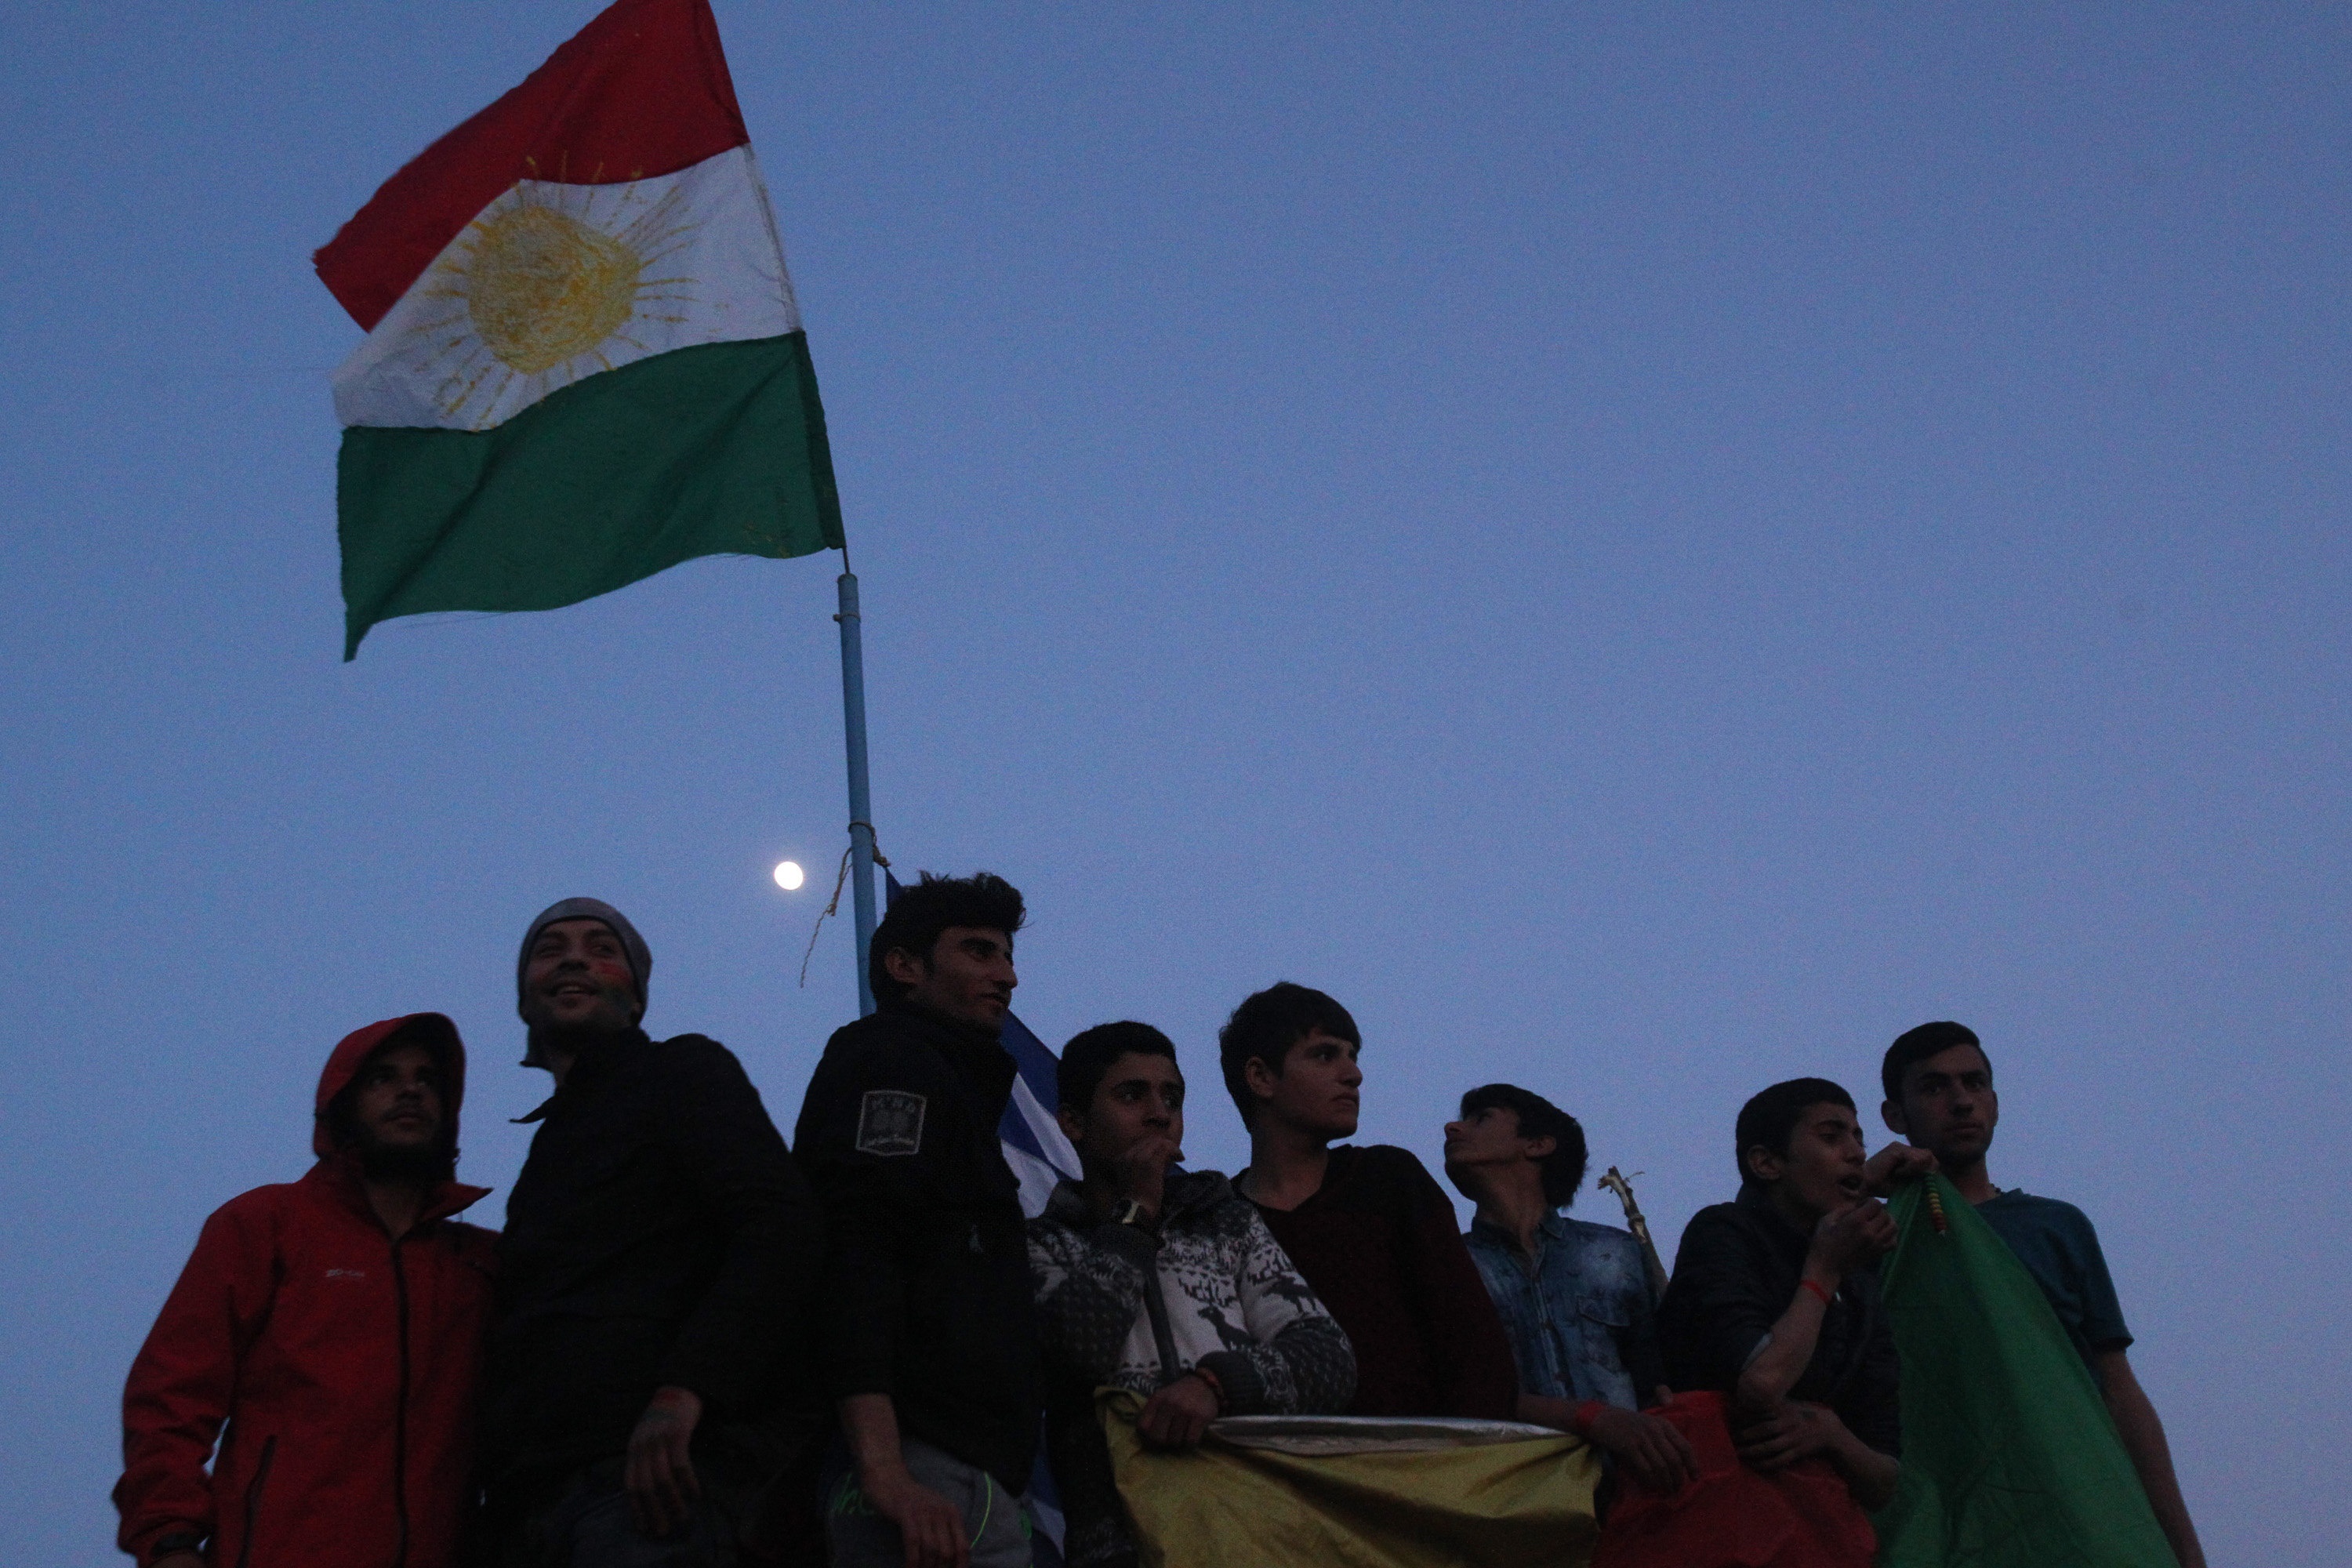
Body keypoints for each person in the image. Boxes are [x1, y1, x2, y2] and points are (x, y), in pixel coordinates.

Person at [479, 898, 824, 1567]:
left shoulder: (681, 1073)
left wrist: (685, 1390)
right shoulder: (547, 1154)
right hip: (532, 1505)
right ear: (525, 1000)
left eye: (600, 946)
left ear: (636, 994)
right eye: (549, 949)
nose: (574, 956)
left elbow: (781, 1225)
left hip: (649, 1494)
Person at [115, 1014, 497, 1568]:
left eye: (428, 1079)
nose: (410, 1089)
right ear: (342, 1102)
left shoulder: (479, 1264)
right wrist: (169, 1540)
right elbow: (172, 1395)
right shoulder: (264, 1226)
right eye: (382, 1078)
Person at [1029, 1022, 1356, 1568]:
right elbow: (1075, 1353)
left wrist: (1216, 1386)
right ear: (1074, 1122)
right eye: (1132, 1094)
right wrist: (1137, 1214)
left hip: (1256, 1532)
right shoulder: (1043, 1244)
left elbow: (1330, 1358)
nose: (1160, 1113)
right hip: (1122, 1547)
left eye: (1172, 1096)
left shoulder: (1226, 1222)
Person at [1880, 1021, 2207, 1568]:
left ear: (1996, 1101)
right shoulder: (1873, 1239)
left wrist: (2185, 1552)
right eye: (1935, 1088)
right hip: (1946, 1524)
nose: (1961, 1102)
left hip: (2077, 1507)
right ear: (1896, 1115)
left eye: (1974, 1083)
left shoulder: (2055, 1228)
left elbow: (2117, 1390)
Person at [793, 873, 1042, 1568]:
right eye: (979, 952)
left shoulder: (953, 1084)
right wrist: (884, 1471)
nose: (1008, 976)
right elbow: (858, 1253)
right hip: (915, 1472)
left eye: (1008, 956)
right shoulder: (894, 1061)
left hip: (973, 1478)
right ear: (905, 966)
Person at [1221, 982, 1518, 1420]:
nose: (1353, 1074)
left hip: (1418, 1469)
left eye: (1352, 1056)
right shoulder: (1218, 1220)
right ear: (1261, 1077)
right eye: (1325, 1055)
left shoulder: (1389, 1181)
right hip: (1277, 1476)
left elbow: (1474, 1349)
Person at [1654, 1079, 1907, 1517]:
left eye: (1858, 1138)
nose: (1857, 1153)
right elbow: (1762, 1383)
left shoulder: (1861, 1280)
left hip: (1814, 1535)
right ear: (1766, 1163)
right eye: (1831, 1137)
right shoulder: (1725, 1232)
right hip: (1709, 1523)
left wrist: (1828, 1431)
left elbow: (1885, 1479)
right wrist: (1823, 1271)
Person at [1443, 1083, 1699, 1494]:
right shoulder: (1447, 1267)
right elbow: (1449, 1393)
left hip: (1632, 1503)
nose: (1451, 1128)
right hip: (1505, 1505)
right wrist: (1592, 1417)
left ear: (1539, 1144)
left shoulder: (1615, 1253)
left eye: (1481, 1118)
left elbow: (1664, 1385)